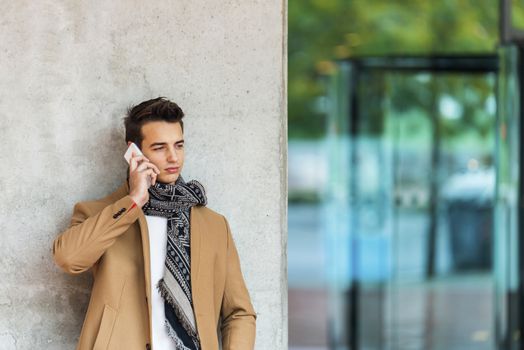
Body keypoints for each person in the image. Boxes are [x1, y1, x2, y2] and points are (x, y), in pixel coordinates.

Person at [52, 97, 256, 350]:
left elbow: (240, 313)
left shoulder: (214, 225)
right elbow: (68, 259)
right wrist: (134, 201)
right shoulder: (100, 214)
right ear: (134, 152)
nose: (173, 158)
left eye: (179, 145)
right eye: (160, 148)